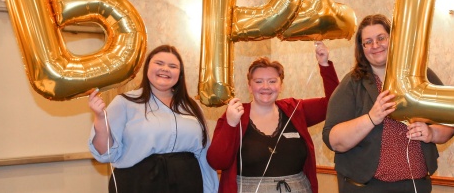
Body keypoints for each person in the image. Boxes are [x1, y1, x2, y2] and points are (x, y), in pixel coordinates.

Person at [322, 14, 454, 193]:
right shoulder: (352, 83)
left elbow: (453, 120)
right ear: (361, 48)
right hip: (367, 188)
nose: (375, 46)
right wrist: (371, 118)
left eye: (381, 38)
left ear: (393, 39)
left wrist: (431, 133)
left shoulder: (420, 76)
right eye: (368, 42)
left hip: (415, 186)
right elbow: (334, 140)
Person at [207, 41, 339, 193]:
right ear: (250, 86)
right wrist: (230, 124)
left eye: (272, 81)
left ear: (281, 85)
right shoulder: (234, 114)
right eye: (258, 81)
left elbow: (334, 103)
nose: (265, 87)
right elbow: (217, 162)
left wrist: (325, 65)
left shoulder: (295, 109)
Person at [87, 45, 218, 193]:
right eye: (159, 63)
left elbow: (204, 153)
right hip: (138, 184)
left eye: (173, 66)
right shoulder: (125, 102)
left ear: (180, 74)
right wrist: (99, 117)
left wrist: (211, 189)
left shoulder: (191, 106)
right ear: (147, 67)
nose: (165, 69)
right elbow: (105, 152)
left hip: (187, 183)